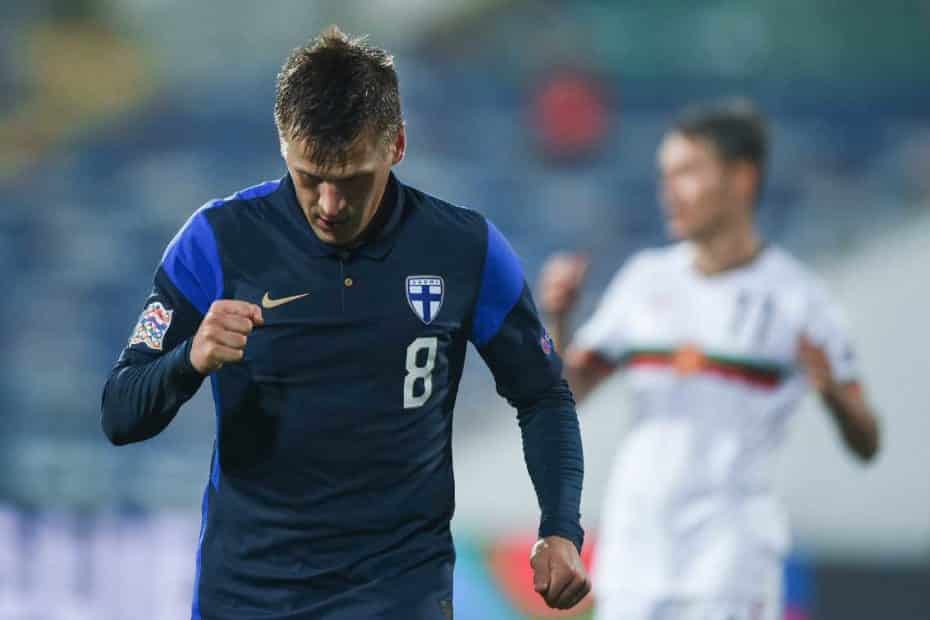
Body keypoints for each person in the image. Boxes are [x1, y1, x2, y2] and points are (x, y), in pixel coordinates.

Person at [101, 26, 589, 620]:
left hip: (397, 590)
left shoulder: (465, 249)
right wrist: (188, 360)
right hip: (250, 593)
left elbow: (542, 396)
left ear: (398, 145)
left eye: (352, 179)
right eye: (311, 177)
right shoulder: (215, 242)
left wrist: (560, 528)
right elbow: (120, 412)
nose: (330, 205)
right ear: (282, 145)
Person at [539, 100, 880, 620]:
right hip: (635, 549)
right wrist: (559, 321)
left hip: (729, 558)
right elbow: (570, 391)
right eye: (665, 174)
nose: (668, 190)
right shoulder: (645, 278)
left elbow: (867, 440)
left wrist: (834, 394)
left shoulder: (797, 298)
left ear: (742, 179)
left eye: (687, 172)